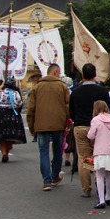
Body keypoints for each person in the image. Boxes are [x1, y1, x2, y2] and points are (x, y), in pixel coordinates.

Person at [70, 63, 110, 198]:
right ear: (95, 74)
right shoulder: (102, 91)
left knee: (83, 157)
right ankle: (99, 180)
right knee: (97, 155)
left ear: (83, 75)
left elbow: (71, 112)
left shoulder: (76, 92)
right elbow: (108, 110)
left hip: (80, 126)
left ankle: (86, 188)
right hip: (99, 126)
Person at [26, 63, 70, 191]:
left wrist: (31, 127)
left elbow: (31, 109)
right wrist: (67, 123)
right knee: (57, 151)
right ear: (56, 72)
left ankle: (46, 181)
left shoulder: (37, 87)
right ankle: (55, 175)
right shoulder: (62, 87)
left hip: (41, 125)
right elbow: (67, 107)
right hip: (59, 124)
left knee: (43, 152)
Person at [0, 76, 27, 163]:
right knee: (10, 136)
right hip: (11, 114)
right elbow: (19, 103)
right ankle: (6, 153)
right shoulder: (15, 93)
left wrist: (0, 86)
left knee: (1, 136)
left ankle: (3, 153)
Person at [87, 100, 110, 209]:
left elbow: (90, 135)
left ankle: (101, 200)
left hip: (100, 149)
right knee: (109, 174)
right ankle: (108, 197)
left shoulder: (96, 120)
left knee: (100, 175)